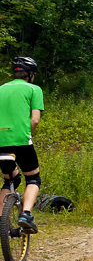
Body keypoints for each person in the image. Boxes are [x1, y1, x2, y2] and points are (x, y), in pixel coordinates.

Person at [0, 57, 44, 234]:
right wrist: (29, 135)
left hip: (0, 142)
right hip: (21, 140)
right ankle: (26, 214)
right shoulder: (34, 89)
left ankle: (0, 221)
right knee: (33, 178)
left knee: (10, 179)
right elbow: (35, 120)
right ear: (30, 75)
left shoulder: (1, 89)